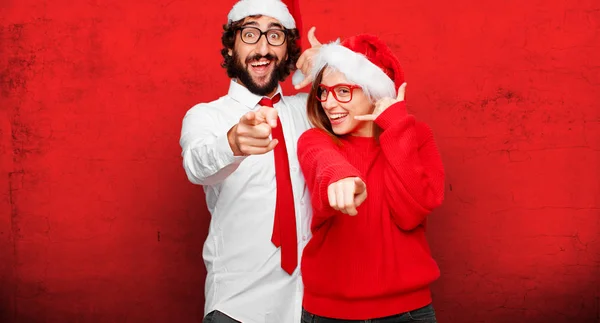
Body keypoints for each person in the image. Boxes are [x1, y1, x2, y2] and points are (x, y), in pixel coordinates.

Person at [178, 0, 322, 322]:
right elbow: (196, 165)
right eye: (250, 33)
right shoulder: (207, 116)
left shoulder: (309, 111)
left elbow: (373, 103)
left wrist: (325, 64)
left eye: (274, 36)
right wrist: (232, 143)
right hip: (237, 307)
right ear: (230, 48)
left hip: (310, 307)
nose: (262, 48)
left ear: (287, 51)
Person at [297, 34, 445, 323]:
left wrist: (396, 128)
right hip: (328, 315)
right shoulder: (316, 139)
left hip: (408, 313)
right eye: (324, 91)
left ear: (374, 93)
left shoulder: (415, 136)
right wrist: (339, 178)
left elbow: (410, 213)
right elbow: (324, 162)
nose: (328, 103)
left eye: (343, 91)